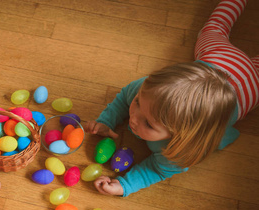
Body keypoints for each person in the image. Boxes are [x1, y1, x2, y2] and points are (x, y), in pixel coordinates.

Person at [84, 0, 258, 197]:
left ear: (181, 135)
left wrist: (125, 184)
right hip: (218, 58)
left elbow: (156, 170)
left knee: (218, 31)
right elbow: (125, 97)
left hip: (253, 86)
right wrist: (106, 121)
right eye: (138, 102)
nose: (133, 117)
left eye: (149, 124)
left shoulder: (182, 151)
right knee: (214, 28)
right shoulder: (148, 90)